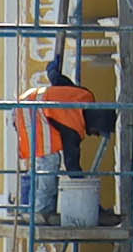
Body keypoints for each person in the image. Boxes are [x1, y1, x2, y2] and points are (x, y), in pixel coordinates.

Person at [15, 65, 94, 222]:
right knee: (48, 161)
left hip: (29, 103)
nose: (92, 134)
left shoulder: (84, 96)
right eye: (96, 132)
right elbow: (72, 165)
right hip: (32, 110)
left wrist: (52, 68)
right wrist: (85, 194)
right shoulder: (75, 123)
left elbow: (58, 80)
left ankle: (30, 206)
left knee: (40, 161)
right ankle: (40, 211)